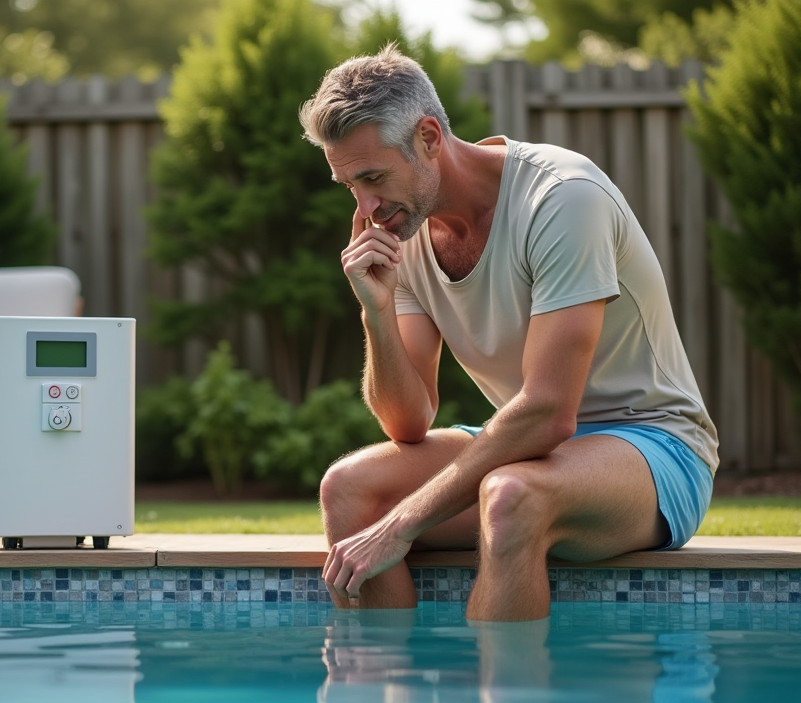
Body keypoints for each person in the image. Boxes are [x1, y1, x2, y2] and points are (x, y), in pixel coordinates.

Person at [298, 45, 718, 621]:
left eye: (373, 177)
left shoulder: (562, 199)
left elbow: (548, 411)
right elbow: (408, 421)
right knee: (348, 488)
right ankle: (387, 701)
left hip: (655, 448)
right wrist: (377, 312)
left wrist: (400, 525)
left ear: (428, 137)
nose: (366, 207)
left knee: (511, 497)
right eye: (349, 186)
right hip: (527, 449)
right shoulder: (405, 233)